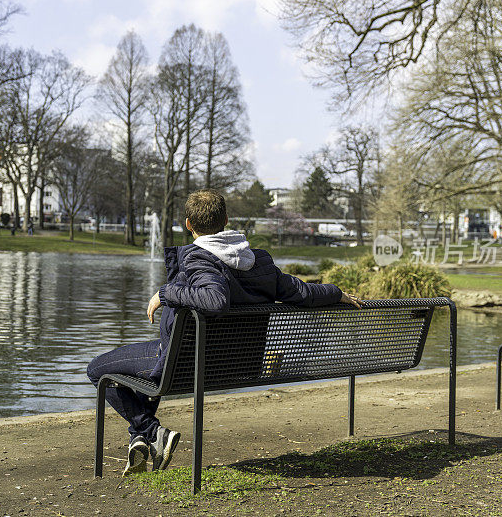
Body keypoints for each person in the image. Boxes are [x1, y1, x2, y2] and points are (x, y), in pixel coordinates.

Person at [86, 189, 362, 477]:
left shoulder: (199, 260)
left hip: (184, 364)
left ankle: (149, 431)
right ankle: (143, 437)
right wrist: (336, 293)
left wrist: (165, 292)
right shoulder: (261, 262)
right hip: (239, 365)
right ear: (227, 220)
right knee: (141, 368)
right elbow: (302, 292)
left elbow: (216, 299)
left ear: (189, 224)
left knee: (98, 370)